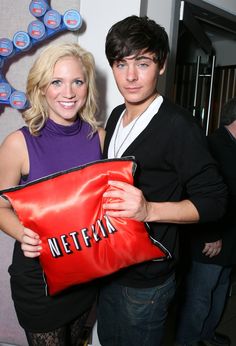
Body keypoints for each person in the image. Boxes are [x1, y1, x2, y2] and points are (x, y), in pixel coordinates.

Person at [96, 15, 228, 346]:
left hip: (147, 279)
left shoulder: (177, 126)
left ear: (162, 66)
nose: (130, 76)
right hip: (109, 266)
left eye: (142, 63)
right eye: (121, 63)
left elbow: (215, 201)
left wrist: (149, 209)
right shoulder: (116, 116)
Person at [0, 42, 105, 345]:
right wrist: (23, 235)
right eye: (57, 82)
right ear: (41, 87)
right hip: (38, 279)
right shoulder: (19, 143)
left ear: (87, 86)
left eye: (77, 81)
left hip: (84, 274)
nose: (68, 92)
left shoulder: (99, 139)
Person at [175, 98, 236, 346]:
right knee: (199, 297)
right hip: (212, 240)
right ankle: (187, 341)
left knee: (220, 289)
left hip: (230, 239)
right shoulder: (213, 144)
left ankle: (206, 336)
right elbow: (199, 195)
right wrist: (211, 234)